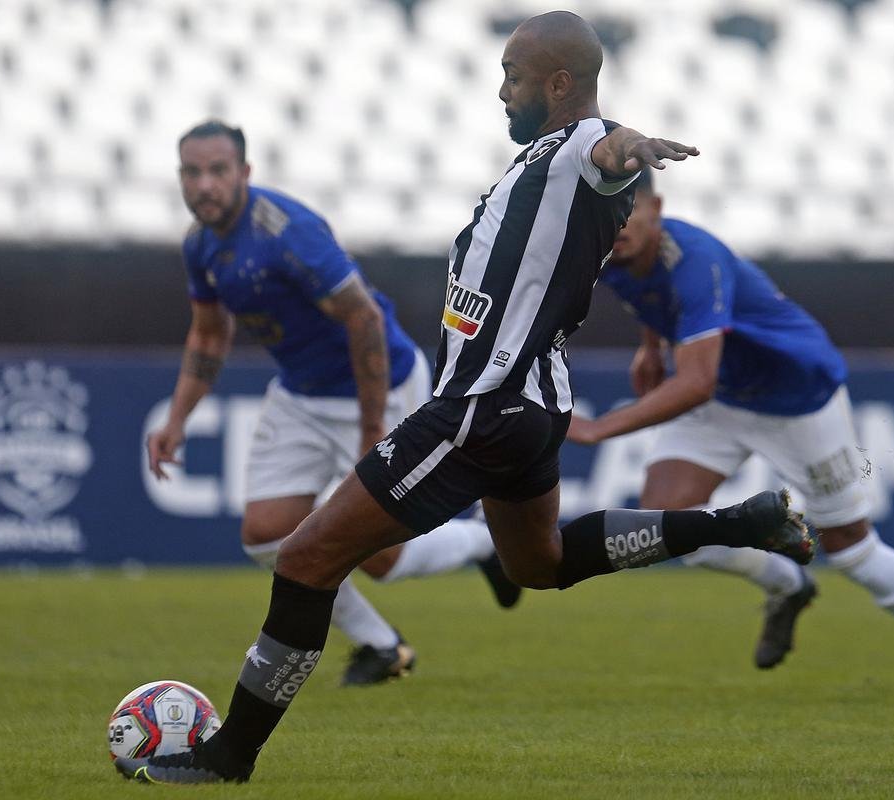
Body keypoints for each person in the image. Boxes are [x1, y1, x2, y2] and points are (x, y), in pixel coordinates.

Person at [115, 12, 813, 784]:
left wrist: (632, 143)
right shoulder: (539, 163)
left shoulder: (580, 147)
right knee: (539, 563)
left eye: (513, 74)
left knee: (307, 558)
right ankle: (742, 521)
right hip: (531, 406)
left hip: (485, 405)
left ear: (558, 83)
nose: (501, 89)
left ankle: (225, 760)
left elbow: (610, 147)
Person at [145, 119, 521, 688]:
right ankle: (382, 646)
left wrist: (373, 428)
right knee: (266, 535)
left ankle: (484, 543)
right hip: (301, 394)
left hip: (382, 389)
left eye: (217, 171)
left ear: (244, 173)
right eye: (192, 173)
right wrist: (177, 418)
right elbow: (208, 333)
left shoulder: (286, 232)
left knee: (380, 558)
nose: (205, 186)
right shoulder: (200, 244)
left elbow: (364, 317)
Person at [565, 168, 894, 689]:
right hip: (725, 398)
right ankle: (787, 584)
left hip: (795, 398)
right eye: (610, 211)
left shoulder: (696, 260)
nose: (619, 222)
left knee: (849, 547)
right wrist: (652, 345)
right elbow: (652, 300)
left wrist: (599, 430)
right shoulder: (609, 249)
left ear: (657, 209)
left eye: (631, 208)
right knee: (663, 524)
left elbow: (695, 383)